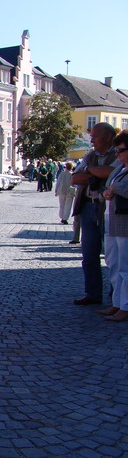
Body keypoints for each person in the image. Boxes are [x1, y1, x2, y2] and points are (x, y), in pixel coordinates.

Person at [71, 122, 121, 305]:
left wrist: (89, 171)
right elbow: (75, 177)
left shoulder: (118, 153)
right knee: (89, 254)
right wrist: (96, 174)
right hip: (87, 206)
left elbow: (111, 173)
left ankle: (117, 297)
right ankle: (92, 293)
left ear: (108, 137)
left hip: (109, 209)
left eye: (95, 136)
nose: (91, 140)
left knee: (113, 256)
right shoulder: (90, 155)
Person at [98, 133, 128, 321]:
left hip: (125, 223)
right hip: (112, 219)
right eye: (116, 151)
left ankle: (125, 306)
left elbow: (118, 187)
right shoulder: (120, 168)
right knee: (113, 263)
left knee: (125, 265)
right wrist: (105, 193)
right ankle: (117, 303)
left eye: (121, 150)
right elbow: (107, 187)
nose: (117, 154)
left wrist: (114, 189)